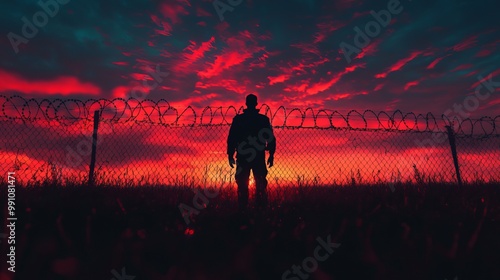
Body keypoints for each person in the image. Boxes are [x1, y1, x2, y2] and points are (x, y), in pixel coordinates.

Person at [227, 94, 276, 212]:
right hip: (258, 155)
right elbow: (270, 138)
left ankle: (243, 209)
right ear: (256, 103)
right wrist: (271, 154)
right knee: (259, 184)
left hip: (243, 156)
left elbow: (232, 138)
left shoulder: (239, 120)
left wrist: (230, 154)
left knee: (243, 184)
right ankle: (260, 209)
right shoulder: (263, 120)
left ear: (246, 103)